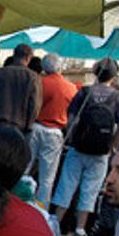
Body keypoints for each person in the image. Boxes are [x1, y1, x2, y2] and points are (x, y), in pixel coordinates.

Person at [52, 58, 119, 236]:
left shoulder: (84, 92)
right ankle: (80, 229)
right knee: (91, 189)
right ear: (114, 76)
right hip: (101, 152)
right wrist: (113, 146)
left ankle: (55, 223)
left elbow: (71, 120)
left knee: (67, 184)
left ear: (95, 72)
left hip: (78, 148)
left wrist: (71, 139)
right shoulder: (118, 97)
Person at [31, 53, 78, 207]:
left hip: (34, 128)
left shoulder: (39, 82)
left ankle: (15, 201)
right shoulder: (71, 88)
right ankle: (41, 210)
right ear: (60, 66)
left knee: (24, 168)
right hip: (55, 132)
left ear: (44, 67)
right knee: (47, 177)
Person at [0, 43, 41, 132]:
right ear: (28, 58)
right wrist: (28, 125)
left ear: (14, 55)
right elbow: (34, 106)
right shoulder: (33, 77)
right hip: (17, 126)